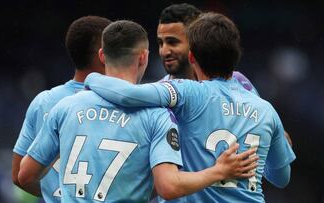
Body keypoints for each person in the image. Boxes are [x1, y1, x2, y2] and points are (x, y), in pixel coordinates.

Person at [18, 20, 258, 202]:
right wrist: (217, 171)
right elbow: (169, 187)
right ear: (143, 58)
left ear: (103, 56)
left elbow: (25, 175)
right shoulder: (157, 116)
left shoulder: (65, 107)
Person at [83, 12, 296, 202]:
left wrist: (91, 77)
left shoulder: (189, 93)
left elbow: (127, 94)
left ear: (192, 57)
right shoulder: (265, 109)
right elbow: (281, 178)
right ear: (236, 55)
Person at [157, 3, 292, 146]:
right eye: (160, 43)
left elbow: (279, 138)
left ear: (195, 41)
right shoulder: (159, 96)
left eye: (173, 42)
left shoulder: (238, 81)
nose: (164, 51)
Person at [12, 16, 111, 202]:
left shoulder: (44, 101)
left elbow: (18, 175)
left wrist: (57, 196)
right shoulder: (121, 102)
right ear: (103, 54)